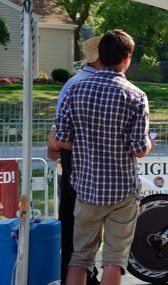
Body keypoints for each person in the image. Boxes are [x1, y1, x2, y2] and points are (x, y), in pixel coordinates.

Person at [53, 29, 152, 285]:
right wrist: (149, 142)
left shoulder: (75, 89)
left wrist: (87, 143)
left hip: (86, 188)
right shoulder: (136, 96)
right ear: (127, 57)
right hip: (122, 190)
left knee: (80, 258)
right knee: (114, 261)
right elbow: (140, 149)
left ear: (100, 56)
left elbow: (61, 139)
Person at [47, 35, 102, 285]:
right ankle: (84, 278)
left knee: (75, 229)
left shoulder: (75, 81)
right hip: (82, 163)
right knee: (81, 232)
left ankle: (78, 276)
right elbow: (62, 135)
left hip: (73, 162)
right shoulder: (88, 83)